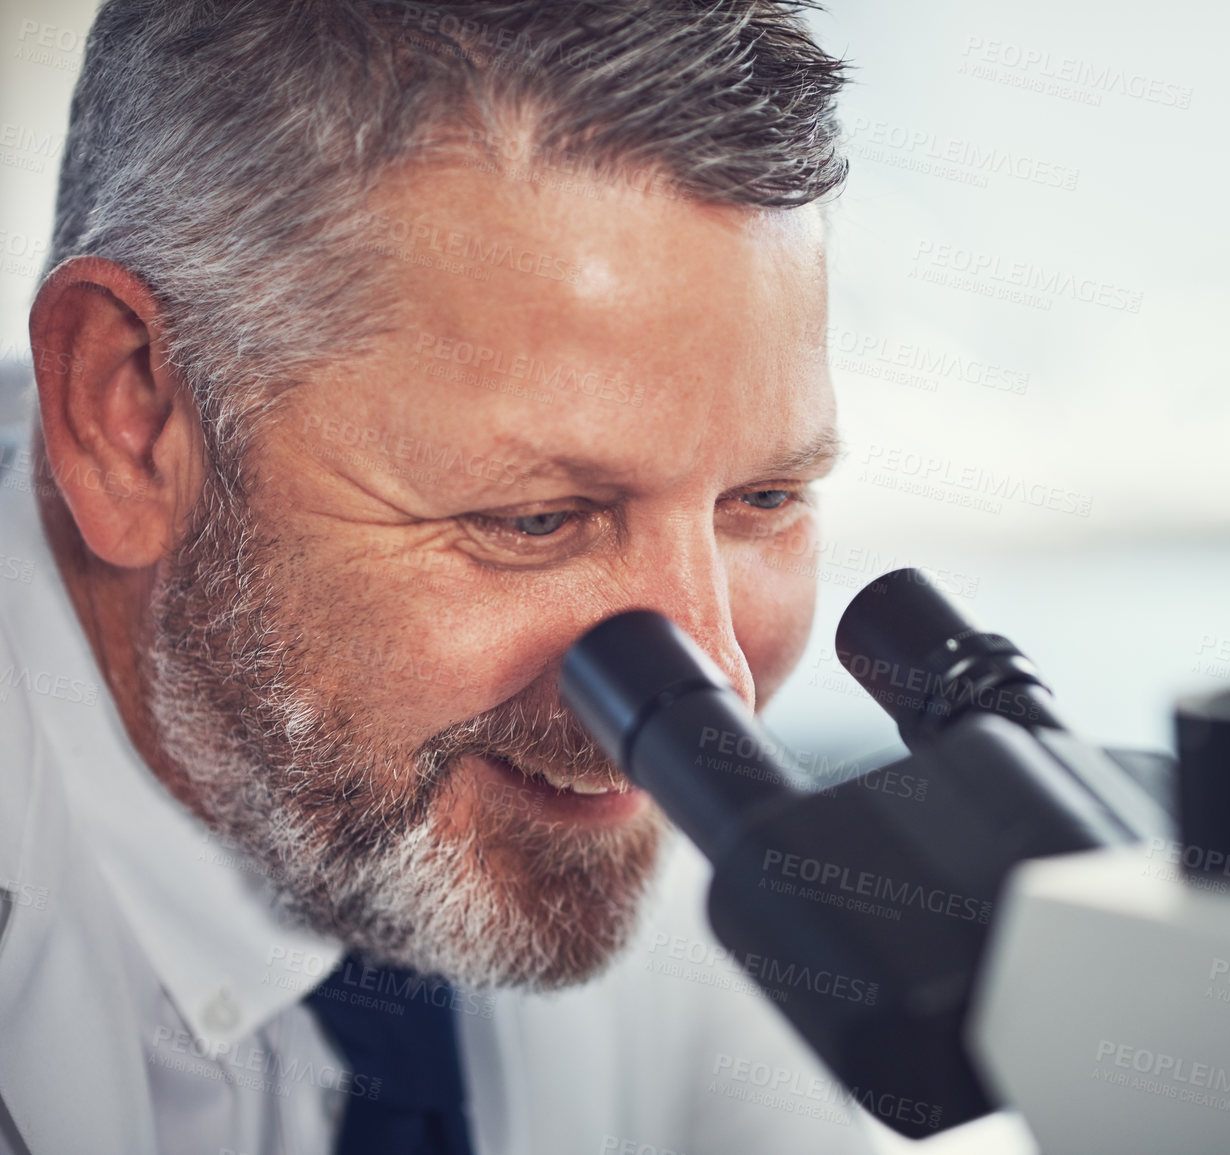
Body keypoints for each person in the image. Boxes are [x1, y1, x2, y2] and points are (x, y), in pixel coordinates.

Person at [0, 1, 886, 1151]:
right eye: (537, 518)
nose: (708, 677)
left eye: (763, 501)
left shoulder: (638, 817)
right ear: (133, 420)